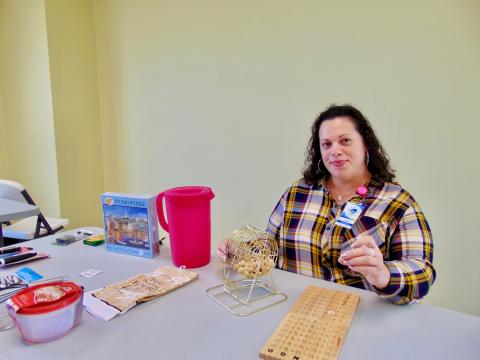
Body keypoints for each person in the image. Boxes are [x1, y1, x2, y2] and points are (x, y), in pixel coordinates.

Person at [265, 104, 436, 304]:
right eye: (326, 144)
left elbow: (423, 274)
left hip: (363, 321)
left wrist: (384, 275)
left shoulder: (398, 202)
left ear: (366, 145)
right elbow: (268, 248)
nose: (335, 151)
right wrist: (240, 249)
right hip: (296, 314)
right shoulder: (298, 193)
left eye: (345, 141)